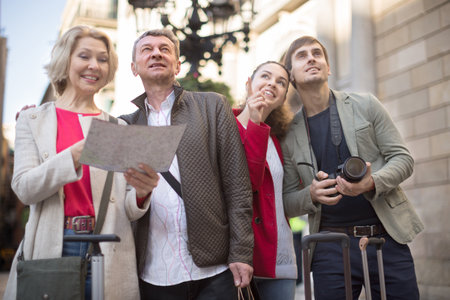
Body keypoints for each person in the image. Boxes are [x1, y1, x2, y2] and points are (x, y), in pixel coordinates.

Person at [3, 25, 159, 300]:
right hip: (53, 247)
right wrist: (74, 154)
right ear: (66, 60)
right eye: (84, 56)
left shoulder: (117, 126)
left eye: (102, 58)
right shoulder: (33, 120)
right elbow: (25, 190)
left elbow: (128, 209)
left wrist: (142, 192)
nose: (94, 66)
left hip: (107, 250)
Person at [281, 36, 424, 300]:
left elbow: (403, 159)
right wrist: (311, 195)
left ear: (328, 67)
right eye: (301, 55)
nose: (311, 58)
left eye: (317, 53)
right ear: (290, 75)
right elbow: (287, 202)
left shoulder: (366, 104)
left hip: (386, 239)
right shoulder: (288, 135)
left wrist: (371, 183)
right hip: (329, 248)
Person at [118, 28, 254, 300]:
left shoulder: (213, 106)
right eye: (147, 49)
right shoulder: (125, 126)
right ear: (134, 68)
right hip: (153, 273)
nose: (156, 52)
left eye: (164, 49)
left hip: (214, 270)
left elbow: (238, 186)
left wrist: (241, 252)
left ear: (178, 65)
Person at [233, 61, 297, 300]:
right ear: (249, 84)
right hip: (246, 256)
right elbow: (247, 183)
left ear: (283, 98)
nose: (273, 83)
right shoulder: (227, 125)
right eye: (266, 76)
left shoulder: (277, 139)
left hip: (281, 254)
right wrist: (255, 123)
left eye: (281, 82)